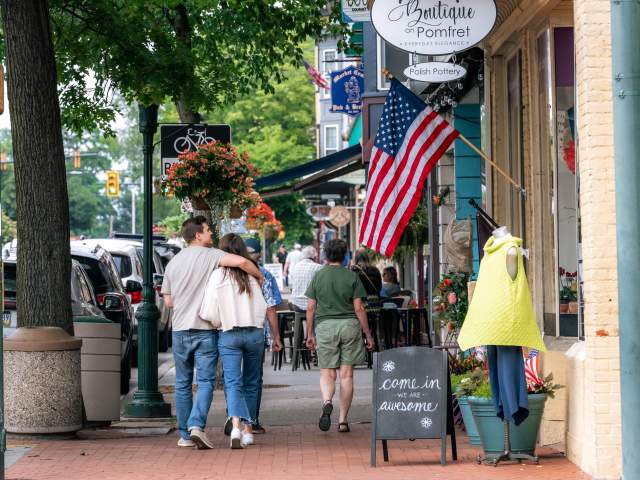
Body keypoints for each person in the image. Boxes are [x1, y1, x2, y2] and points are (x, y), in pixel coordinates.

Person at [161, 216, 263, 450]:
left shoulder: (173, 262)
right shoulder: (212, 256)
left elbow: (168, 302)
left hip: (179, 330)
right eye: (208, 231)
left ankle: (185, 435)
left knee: (182, 383)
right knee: (205, 381)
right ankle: (197, 425)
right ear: (198, 235)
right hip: (205, 330)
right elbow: (242, 263)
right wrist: (258, 275)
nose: (211, 235)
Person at [204, 233, 282, 449]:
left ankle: (236, 425)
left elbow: (210, 311)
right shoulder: (254, 277)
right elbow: (264, 307)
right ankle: (248, 429)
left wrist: (222, 321)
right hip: (254, 333)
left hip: (229, 332)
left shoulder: (217, 276)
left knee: (232, 382)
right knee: (251, 381)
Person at [305, 239, 375, 433]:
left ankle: (327, 401)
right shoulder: (351, 276)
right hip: (349, 326)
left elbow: (311, 307)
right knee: (346, 375)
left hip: (325, 327)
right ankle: (343, 420)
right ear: (345, 255)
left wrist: (309, 333)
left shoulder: (318, 276)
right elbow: (359, 308)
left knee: (327, 373)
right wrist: (368, 334)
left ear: (325, 255)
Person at [240, 237, 283, 435]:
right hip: (257, 332)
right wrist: (276, 336)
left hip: (231, 331)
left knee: (233, 378)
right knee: (254, 378)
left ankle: (232, 417)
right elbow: (271, 309)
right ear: (259, 254)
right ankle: (252, 420)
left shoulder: (229, 273)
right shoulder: (264, 275)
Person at [289, 246, 322, 314]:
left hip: (296, 305)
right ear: (314, 257)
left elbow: (291, 288)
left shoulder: (296, 266)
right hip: (312, 306)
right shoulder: (318, 267)